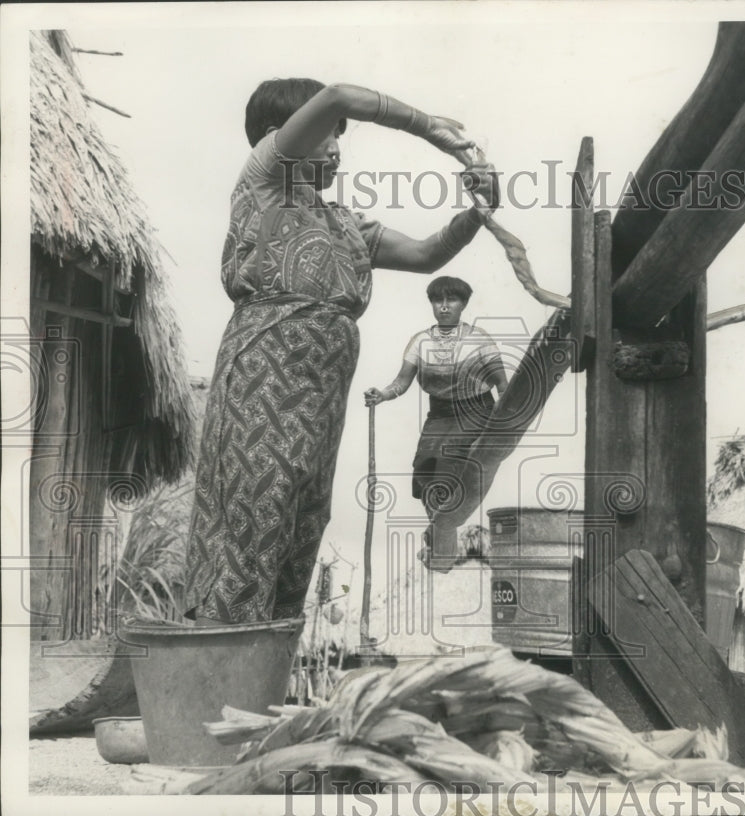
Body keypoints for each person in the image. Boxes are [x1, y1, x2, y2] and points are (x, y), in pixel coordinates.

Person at [183, 79, 499, 623]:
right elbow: (337, 95)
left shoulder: (346, 224)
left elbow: (427, 254)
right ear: (276, 138)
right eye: (325, 134)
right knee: (254, 518)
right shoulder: (262, 185)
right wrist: (436, 132)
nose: (335, 146)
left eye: (339, 137)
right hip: (263, 377)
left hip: (320, 400)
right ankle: (216, 682)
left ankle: (265, 690)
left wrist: (479, 209)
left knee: (304, 525)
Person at [364, 276, 507, 523]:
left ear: (463, 304)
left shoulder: (479, 339)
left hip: (476, 411)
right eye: (437, 300)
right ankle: (439, 526)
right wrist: (382, 395)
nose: (443, 306)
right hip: (440, 414)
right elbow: (401, 382)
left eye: (451, 299)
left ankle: (448, 525)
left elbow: (503, 385)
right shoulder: (421, 341)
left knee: (448, 459)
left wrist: (505, 423)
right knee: (424, 466)